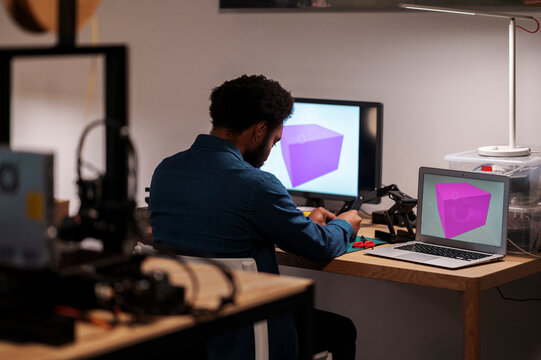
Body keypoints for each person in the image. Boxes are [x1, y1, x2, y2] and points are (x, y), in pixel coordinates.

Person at [149, 74, 361, 360]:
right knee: (342, 329)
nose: (271, 152)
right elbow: (319, 247)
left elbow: (222, 224)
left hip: (186, 332)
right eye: (274, 141)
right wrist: (344, 224)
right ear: (260, 130)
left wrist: (300, 222)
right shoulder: (257, 184)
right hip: (246, 333)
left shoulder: (166, 171)